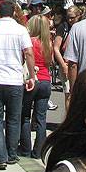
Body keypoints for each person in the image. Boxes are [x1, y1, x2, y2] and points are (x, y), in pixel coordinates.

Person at [0, 1, 36, 169]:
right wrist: (32, 75)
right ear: (13, 13)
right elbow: (29, 52)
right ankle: (11, 153)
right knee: (14, 118)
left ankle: (0, 156)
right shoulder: (20, 30)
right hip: (14, 79)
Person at [19, 14, 53, 159]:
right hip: (46, 81)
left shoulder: (29, 42)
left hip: (32, 80)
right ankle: (39, 151)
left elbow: (23, 59)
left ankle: (25, 149)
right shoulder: (48, 43)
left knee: (25, 116)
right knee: (41, 119)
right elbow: (49, 63)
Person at [53, 5, 78, 103]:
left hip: (79, 64)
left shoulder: (81, 27)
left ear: (78, 16)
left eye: (72, 17)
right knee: (68, 95)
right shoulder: (63, 27)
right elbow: (56, 48)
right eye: (68, 17)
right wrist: (63, 65)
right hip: (66, 63)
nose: (70, 20)